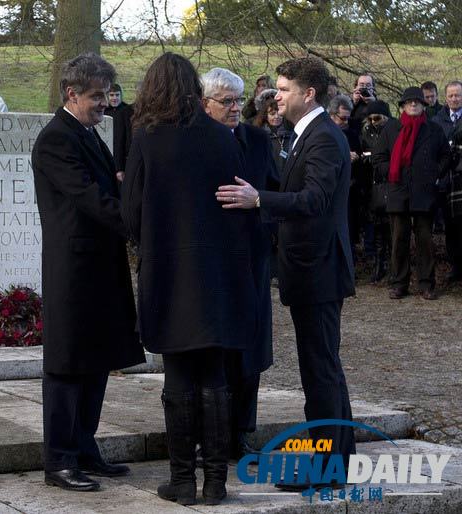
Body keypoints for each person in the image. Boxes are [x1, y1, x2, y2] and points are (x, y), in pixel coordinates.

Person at [122, 54, 257, 506]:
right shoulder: (224, 138)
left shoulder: (148, 140)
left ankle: (183, 479)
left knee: (179, 376)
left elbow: (131, 213)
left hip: (170, 271)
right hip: (218, 271)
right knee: (215, 376)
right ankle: (216, 482)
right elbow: (239, 200)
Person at [216, 56, 356, 490]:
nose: (276, 95)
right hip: (308, 269)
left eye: (283, 88)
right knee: (323, 367)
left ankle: (326, 470)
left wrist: (260, 200)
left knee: (320, 370)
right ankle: (339, 461)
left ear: (308, 94)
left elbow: (313, 200)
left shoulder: (324, 139)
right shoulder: (306, 135)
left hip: (319, 270)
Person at [31, 52, 145, 493]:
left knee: (95, 360)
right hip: (73, 269)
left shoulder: (86, 134)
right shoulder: (57, 139)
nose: (105, 104)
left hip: (98, 263)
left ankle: (83, 447)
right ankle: (58, 459)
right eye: (97, 96)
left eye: (108, 95)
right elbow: (88, 197)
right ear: (71, 94)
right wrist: (138, 224)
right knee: (66, 365)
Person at [201, 67, 276, 464]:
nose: (234, 108)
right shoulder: (194, 141)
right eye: (225, 101)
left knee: (249, 351)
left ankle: (242, 432)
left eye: (237, 100)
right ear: (204, 103)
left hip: (251, 259)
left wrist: (258, 200)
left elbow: (278, 191)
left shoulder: (258, 140)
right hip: (210, 262)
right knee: (214, 352)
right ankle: (208, 435)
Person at [373, 87, 451, 300]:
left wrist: (435, 172)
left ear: (423, 105)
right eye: (410, 102)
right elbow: (378, 157)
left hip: (425, 193)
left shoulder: (433, 129)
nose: (414, 105)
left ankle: (427, 283)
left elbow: (446, 155)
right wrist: (391, 171)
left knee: (425, 240)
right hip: (398, 190)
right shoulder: (392, 129)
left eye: (418, 102)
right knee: (399, 239)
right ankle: (399, 283)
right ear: (403, 106)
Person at [359, 100, 394, 283]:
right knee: (378, 227)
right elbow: (363, 152)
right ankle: (380, 265)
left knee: (392, 228)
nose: (374, 122)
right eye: (371, 119)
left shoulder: (392, 130)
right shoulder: (366, 132)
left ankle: (394, 267)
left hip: (390, 182)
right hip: (372, 183)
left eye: (377, 118)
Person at [329, 95, 365, 264]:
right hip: (329, 189)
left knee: (349, 229)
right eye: (342, 118)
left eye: (348, 118)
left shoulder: (351, 133)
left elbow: (360, 154)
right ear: (331, 115)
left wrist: (356, 157)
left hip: (349, 188)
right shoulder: (324, 132)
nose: (345, 121)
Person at [433, 81, 462, 281]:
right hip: (445, 182)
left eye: (458, 95)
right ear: (445, 97)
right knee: (451, 227)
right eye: (451, 95)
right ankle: (456, 266)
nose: (454, 99)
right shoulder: (436, 121)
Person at [253, 89, 292, 174]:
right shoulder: (259, 136)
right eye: (272, 113)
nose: (277, 116)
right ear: (265, 116)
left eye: (279, 113)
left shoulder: (291, 132)